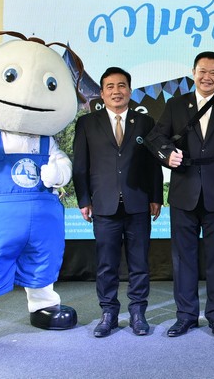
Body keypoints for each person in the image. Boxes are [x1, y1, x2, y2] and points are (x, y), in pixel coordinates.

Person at [146, 51, 214, 338]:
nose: (207, 77)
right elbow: (155, 138)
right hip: (183, 191)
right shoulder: (176, 104)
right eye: (202, 71)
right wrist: (167, 155)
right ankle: (186, 316)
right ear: (193, 72)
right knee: (183, 258)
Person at [72, 66, 163, 338]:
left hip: (138, 204)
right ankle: (108, 313)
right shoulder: (87, 123)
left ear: (130, 91)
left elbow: (153, 164)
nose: (116, 91)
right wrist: (84, 199)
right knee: (106, 265)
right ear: (102, 93)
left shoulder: (145, 122)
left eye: (121, 85)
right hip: (104, 205)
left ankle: (138, 313)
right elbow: (81, 165)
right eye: (110, 87)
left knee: (139, 264)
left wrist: (156, 196)